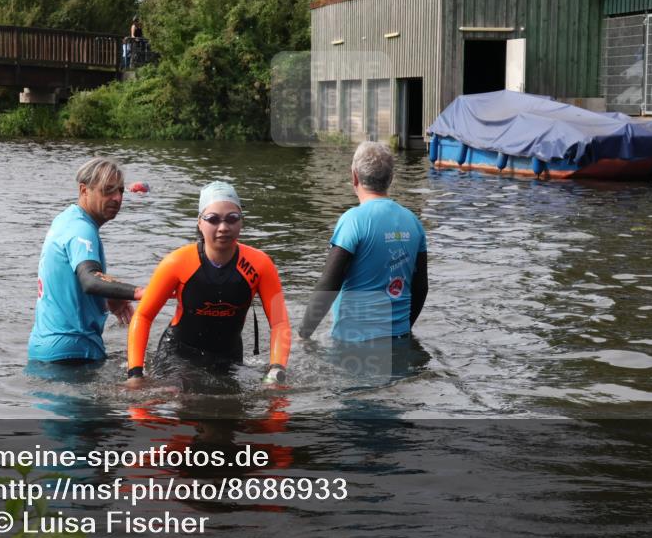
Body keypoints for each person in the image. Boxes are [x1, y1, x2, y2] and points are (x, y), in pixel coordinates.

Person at [126, 181, 291, 388]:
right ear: (199, 223)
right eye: (213, 219)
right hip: (178, 354)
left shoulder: (260, 265)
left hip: (228, 355)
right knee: (184, 395)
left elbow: (279, 323)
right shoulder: (177, 263)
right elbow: (143, 315)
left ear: (241, 221)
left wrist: (277, 369)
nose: (223, 227)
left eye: (232, 219)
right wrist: (135, 373)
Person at [299, 142, 428, 344]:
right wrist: (403, 327)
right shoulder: (413, 222)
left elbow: (329, 283)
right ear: (391, 178)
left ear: (354, 177)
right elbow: (421, 288)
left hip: (354, 342)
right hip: (399, 337)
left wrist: (303, 334)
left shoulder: (353, 220)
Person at [29, 158, 144, 363]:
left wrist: (108, 297)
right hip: (74, 352)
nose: (117, 198)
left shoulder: (66, 219)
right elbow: (89, 280)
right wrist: (140, 292)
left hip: (43, 349)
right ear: (84, 190)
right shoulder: (81, 229)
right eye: (108, 190)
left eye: (120, 191)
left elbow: (69, 279)